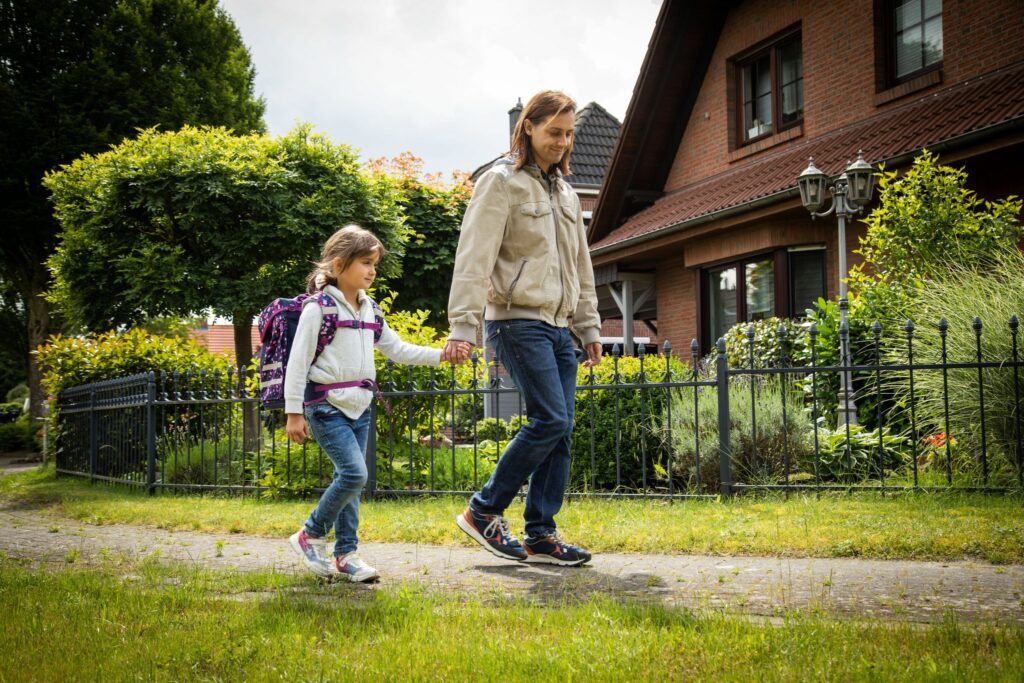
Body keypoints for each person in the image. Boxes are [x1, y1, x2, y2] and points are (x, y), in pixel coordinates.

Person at [444, 90, 603, 567]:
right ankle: (484, 510)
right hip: (515, 320)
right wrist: (462, 326)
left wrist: (590, 326)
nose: (563, 141)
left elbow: (581, 263)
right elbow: (474, 256)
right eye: (554, 132)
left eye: (569, 133)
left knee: (563, 428)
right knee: (550, 419)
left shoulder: (567, 192)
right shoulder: (500, 183)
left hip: (559, 326)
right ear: (528, 128)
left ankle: (540, 534)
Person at [284, 224, 469, 581]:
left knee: (350, 480)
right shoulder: (318, 309)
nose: (372, 271)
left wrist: (441, 356)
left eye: (375, 264)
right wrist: (294, 412)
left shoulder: (371, 310)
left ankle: (346, 555)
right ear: (339, 265)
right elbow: (298, 362)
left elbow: (397, 350)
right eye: (365, 263)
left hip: (361, 406)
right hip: (326, 405)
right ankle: (310, 533)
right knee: (355, 474)